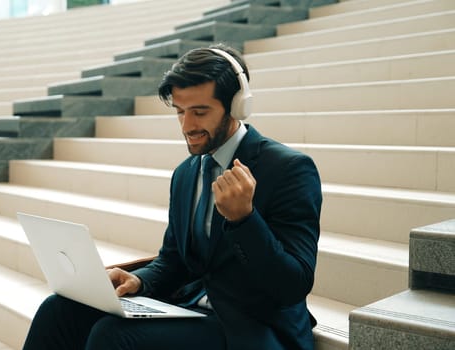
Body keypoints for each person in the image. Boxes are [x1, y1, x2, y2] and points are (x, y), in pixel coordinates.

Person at [22, 43, 322, 350]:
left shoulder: (289, 169)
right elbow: (175, 260)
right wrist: (140, 280)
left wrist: (244, 220)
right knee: (58, 310)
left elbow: (292, 286)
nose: (187, 126)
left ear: (236, 106)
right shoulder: (187, 173)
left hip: (252, 327)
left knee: (113, 335)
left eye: (200, 112)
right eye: (180, 111)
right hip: (192, 310)